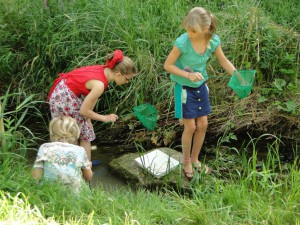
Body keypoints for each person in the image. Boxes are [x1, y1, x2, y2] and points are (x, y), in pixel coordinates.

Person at [164, 7, 237, 181]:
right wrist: (188, 74)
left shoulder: (212, 41)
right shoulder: (183, 42)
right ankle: (186, 161)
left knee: (203, 125)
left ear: (205, 29)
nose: (188, 33)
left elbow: (223, 60)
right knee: (190, 127)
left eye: (193, 30)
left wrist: (238, 76)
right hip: (184, 88)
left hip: (201, 86)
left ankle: (196, 159)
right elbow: (168, 65)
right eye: (187, 29)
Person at [47, 50, 137, 162]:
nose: (127, 82)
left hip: (60, 92)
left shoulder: (103, 70)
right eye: (127, 79)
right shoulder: (99, 85)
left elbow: (91, 100)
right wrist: (105, 118)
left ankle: (65, 163)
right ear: (118, 74)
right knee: (80, 133)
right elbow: (83, 111)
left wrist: (88, 119)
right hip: (66, 98)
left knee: (66, 130)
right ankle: (85, 167)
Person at [32, 116, 93, 192]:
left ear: (52, 133)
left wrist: (37, 187)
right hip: (74, 195)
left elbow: (36, 175)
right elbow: (88, 177)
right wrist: (89, 167)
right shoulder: (80, 150)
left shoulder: (44, 147)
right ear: (76, 133)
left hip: (48, 192)